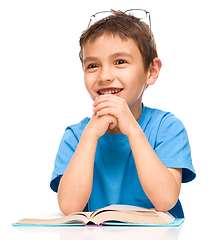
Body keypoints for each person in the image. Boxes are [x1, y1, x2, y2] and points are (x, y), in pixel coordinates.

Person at [50, 10, 196, 218]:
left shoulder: (168, 127)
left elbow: (165, 200)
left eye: (120, 62)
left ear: (151, 71)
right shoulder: (75, 135)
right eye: (92, 65)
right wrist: (90, 136)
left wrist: (133, 131)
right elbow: (69, 207)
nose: (105, 76)